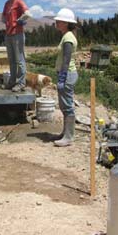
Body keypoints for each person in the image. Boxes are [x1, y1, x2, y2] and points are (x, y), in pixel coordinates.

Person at [1, 0, 33, 92]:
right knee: (12, 59)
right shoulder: (7, 3)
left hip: (17, 34)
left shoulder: (19, 2)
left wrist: (20, 20)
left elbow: (28, 13)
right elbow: (3, 17)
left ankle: (21, 83)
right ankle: (12, 81)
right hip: (9, 34)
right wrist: (6, 21)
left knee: (19, 59)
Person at [53, 8, 78, 147]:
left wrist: (62, 78)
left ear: (66, 23)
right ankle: (65, 133)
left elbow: (67, 59)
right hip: (66, 74)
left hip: (67, 74)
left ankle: (68, 137)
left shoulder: (68, 37)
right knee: (64, 105)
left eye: (59, 21)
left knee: (67, 106)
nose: (56, 22)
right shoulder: (67, 35)